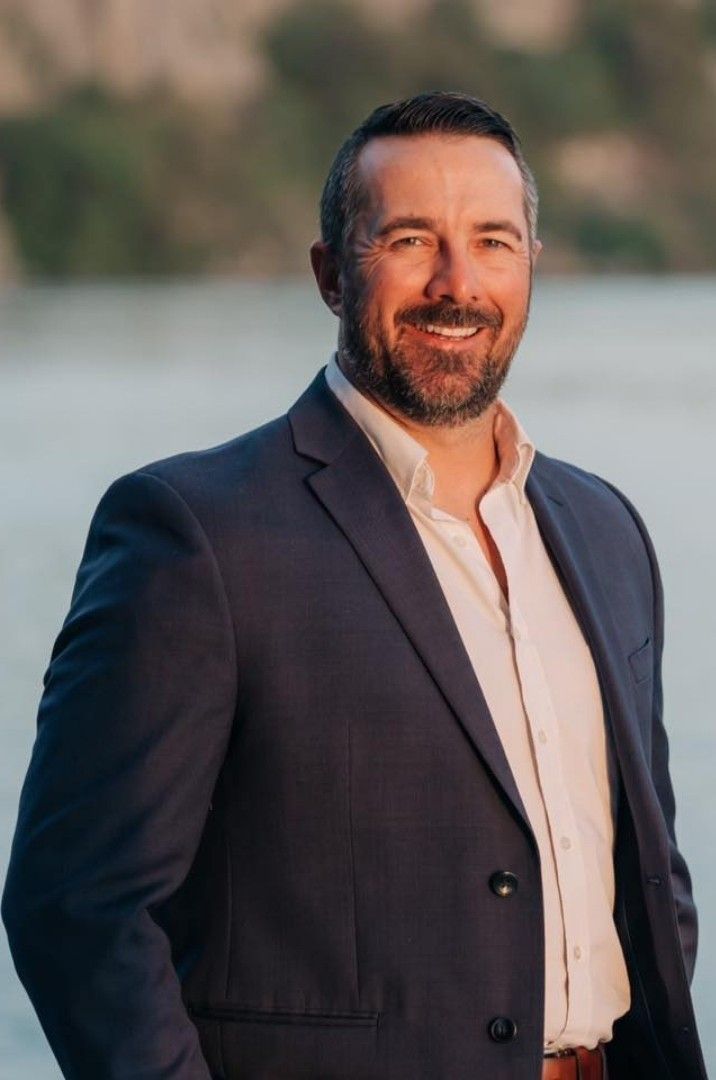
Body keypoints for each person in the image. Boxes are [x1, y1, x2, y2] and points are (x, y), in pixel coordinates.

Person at [2, 91, 706, 1080]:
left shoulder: (605, 530)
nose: (457, 284)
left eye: (493, 242)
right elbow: (78, 907)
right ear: (331, 274)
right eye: (410, 240)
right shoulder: (195, 534)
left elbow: (647, 872)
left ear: (531, 266)